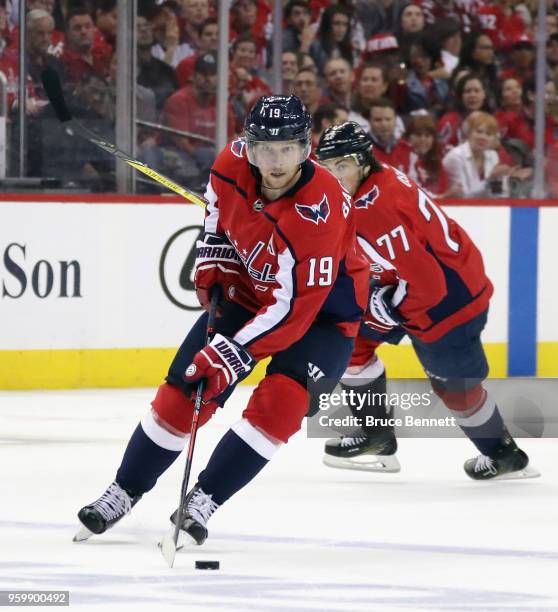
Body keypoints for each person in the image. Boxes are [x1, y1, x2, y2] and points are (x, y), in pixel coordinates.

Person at [74, 96, 369, 544]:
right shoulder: (230, 161)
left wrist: (230, 354)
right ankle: (123, 490)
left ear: (305, 149)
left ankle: (203, 500)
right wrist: (213, 256)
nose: (275, 161)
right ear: (247, 147)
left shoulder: (320, 211)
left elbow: (292, 311)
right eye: (264, 148)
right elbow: (215, 211)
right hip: (252, 292)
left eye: (287, 148)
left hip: (323, 317)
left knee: (281, 407)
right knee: (186, 389)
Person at [315, 121, 538, 481]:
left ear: (361, 162)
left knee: (456, 390)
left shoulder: (376, 210)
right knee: (352, 339)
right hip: (437, 279)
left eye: (341, 166)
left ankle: (504, 455)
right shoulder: (380, 176)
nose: (333, 175)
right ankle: (377, 437)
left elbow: (427, 284)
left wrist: (384, 306)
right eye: (327, 167)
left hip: (447, 304)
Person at [442, 111, 528, 198]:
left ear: (494, 139)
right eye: (479, 132)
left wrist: (509, 180)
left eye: (488, 134)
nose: (483, 137)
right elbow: (463, 196)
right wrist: (490, 180)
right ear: (469, 133)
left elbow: (495, 194)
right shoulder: (455, 157)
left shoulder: (492, 155)